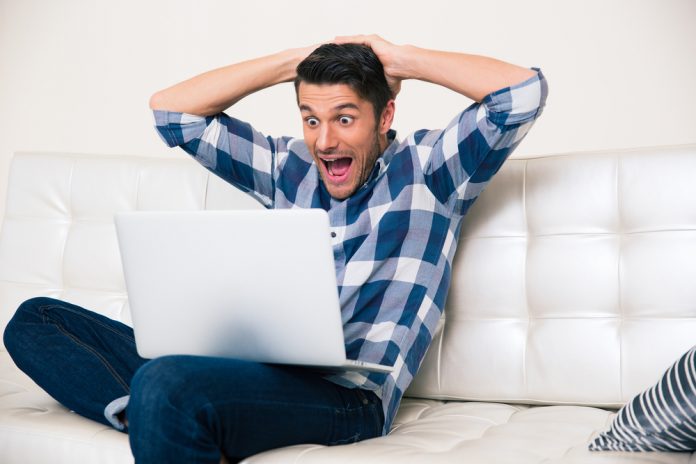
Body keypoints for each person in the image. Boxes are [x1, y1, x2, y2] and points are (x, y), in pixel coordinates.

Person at [3, 35, 547, 463]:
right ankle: (154, 413)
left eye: (344, 118)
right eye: (311, 118)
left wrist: (399, 58)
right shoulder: (286, 168)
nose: (324, 140)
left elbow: (522, 94)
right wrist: (294, 62)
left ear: (384, 117)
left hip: (349, 397)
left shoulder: (433, 171)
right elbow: (171, 112)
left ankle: (162, 407)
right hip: (254, 372)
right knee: (34, 321)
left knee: (167, 382)